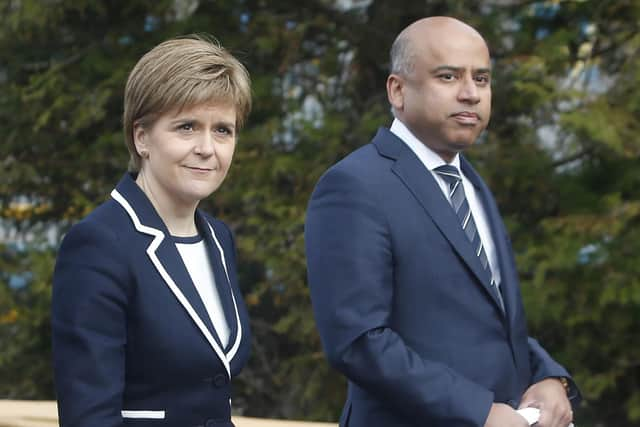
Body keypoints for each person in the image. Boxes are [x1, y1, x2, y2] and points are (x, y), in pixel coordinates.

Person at [305, 16, 580, 427]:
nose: (470, 94)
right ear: (398, 90)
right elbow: (358, 342)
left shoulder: (470, 182)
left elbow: (487, 320)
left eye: (482, 79)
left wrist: (548, 375)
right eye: (448, 76)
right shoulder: (354, 186)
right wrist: (478, 412)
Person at [51, 35, 252, 427]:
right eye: (187, 127)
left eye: (223, 130)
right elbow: (89, 417)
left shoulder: (218, 239)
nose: (207, 148)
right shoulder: (98, 245)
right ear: (141, 137)